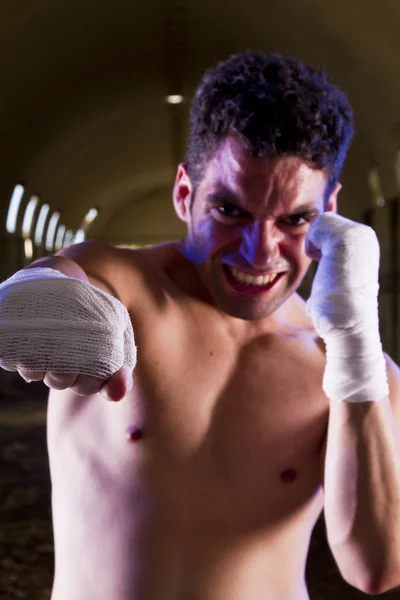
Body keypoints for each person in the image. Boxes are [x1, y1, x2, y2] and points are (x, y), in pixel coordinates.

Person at [1, 50, 400, 600]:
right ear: (186, 194)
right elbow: (47, 286)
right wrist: (33, 304)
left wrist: (356, 338)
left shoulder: (347, 365)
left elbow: (375, 567)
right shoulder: (121, 286)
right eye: (231, 212)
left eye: (294, 219)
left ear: (330, 210)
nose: (261, 252)